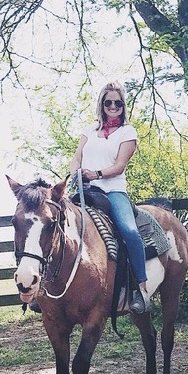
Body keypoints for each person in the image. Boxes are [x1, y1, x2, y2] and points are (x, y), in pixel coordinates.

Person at [71, 81, 151, 315]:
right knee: (55, 222)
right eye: (108, 102)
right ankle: (46, 289)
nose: (113, 106)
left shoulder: (128, 132)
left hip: (113, 190)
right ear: (102, 105)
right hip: (86, 190)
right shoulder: (89, 130)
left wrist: (95, 173)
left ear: (123, 105)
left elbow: (119, 167)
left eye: (118, 102)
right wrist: (75, 172)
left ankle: (140, 289)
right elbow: (77, 156)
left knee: (129, 231)